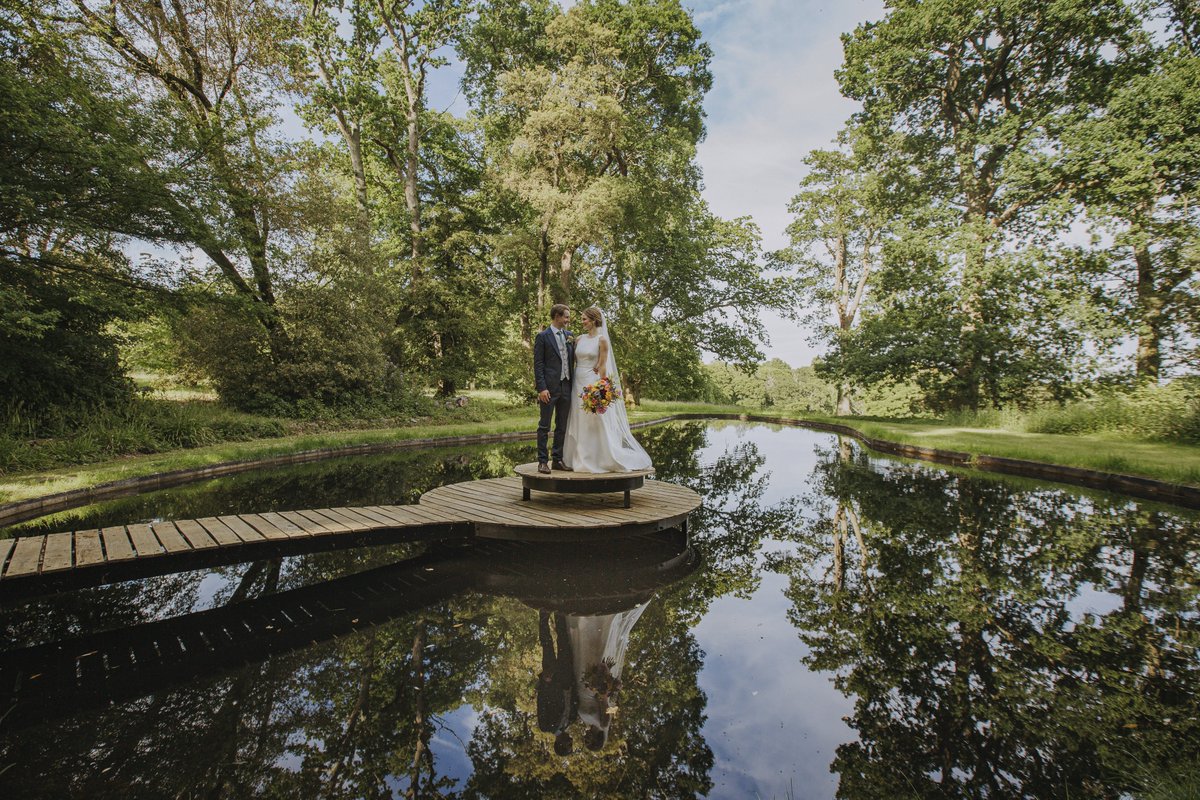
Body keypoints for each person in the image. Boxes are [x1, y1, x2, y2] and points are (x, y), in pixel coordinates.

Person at [563, 307, 653, 473]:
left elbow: (603, 366)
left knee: (593, 419)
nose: (582, 322)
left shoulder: (602, 340)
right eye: (582, 319)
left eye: (585, 319)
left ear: (594, 320)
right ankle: (578, 457)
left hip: (591, 382)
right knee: (578, 418)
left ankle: (599, 458)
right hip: (577, 381)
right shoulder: (579, 339)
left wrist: (602, 388)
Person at [533, 304, 576, 474]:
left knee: (562, 425)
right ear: (557, 317)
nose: (568, 320)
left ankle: (557, 459)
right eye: (566, 316)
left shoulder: (570, 336)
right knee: (544, 426)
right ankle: (542, 462)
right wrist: (542, 388)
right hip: (549, 389)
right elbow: (538, 364)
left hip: (567, 386)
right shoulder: (542, 337)